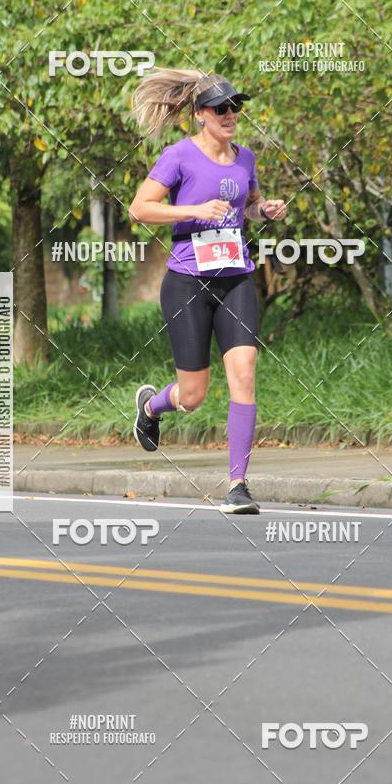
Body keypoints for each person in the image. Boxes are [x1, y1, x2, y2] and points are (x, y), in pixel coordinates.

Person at [128, 68, 287, 514]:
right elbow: (140, 208)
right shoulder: (178, 156)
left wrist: (263, 209)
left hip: (235, 277)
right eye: (221, 108)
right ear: (200, 114)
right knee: (193, 396)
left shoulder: (246, 158)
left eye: (236, 106)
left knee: (245, 375)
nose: (231, 114)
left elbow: (249, 205)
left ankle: (238, 485)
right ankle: (153, 407)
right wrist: (195, 209)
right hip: (187, 282)